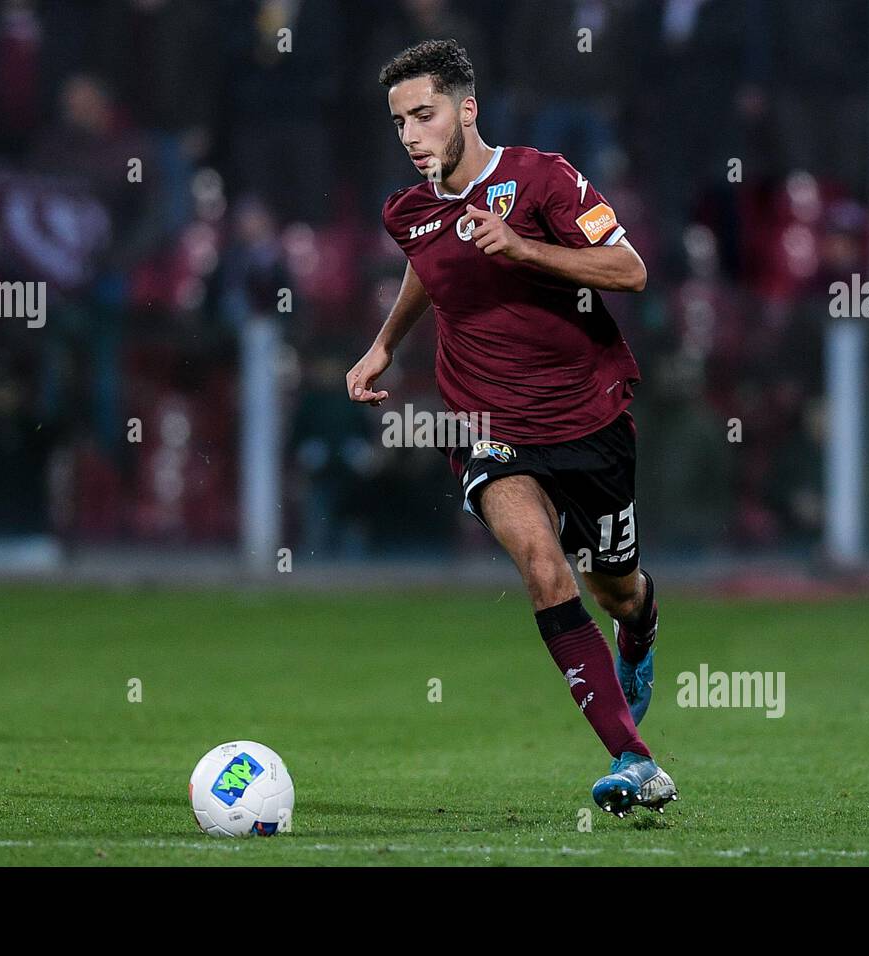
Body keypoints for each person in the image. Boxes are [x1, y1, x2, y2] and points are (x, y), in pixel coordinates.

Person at [346, 40, 674, 817]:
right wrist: (385, 344)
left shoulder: (543, 179)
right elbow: (430, 265)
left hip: (588, 416)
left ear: (467, 109)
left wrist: (526, 248)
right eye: (399, 123)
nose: (412, 135)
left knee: (617, 589)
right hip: (488, 422)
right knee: (538, 560)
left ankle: (641, 632)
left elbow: (630, 270)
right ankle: (635, 759)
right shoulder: (408, 210)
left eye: (424, 115)